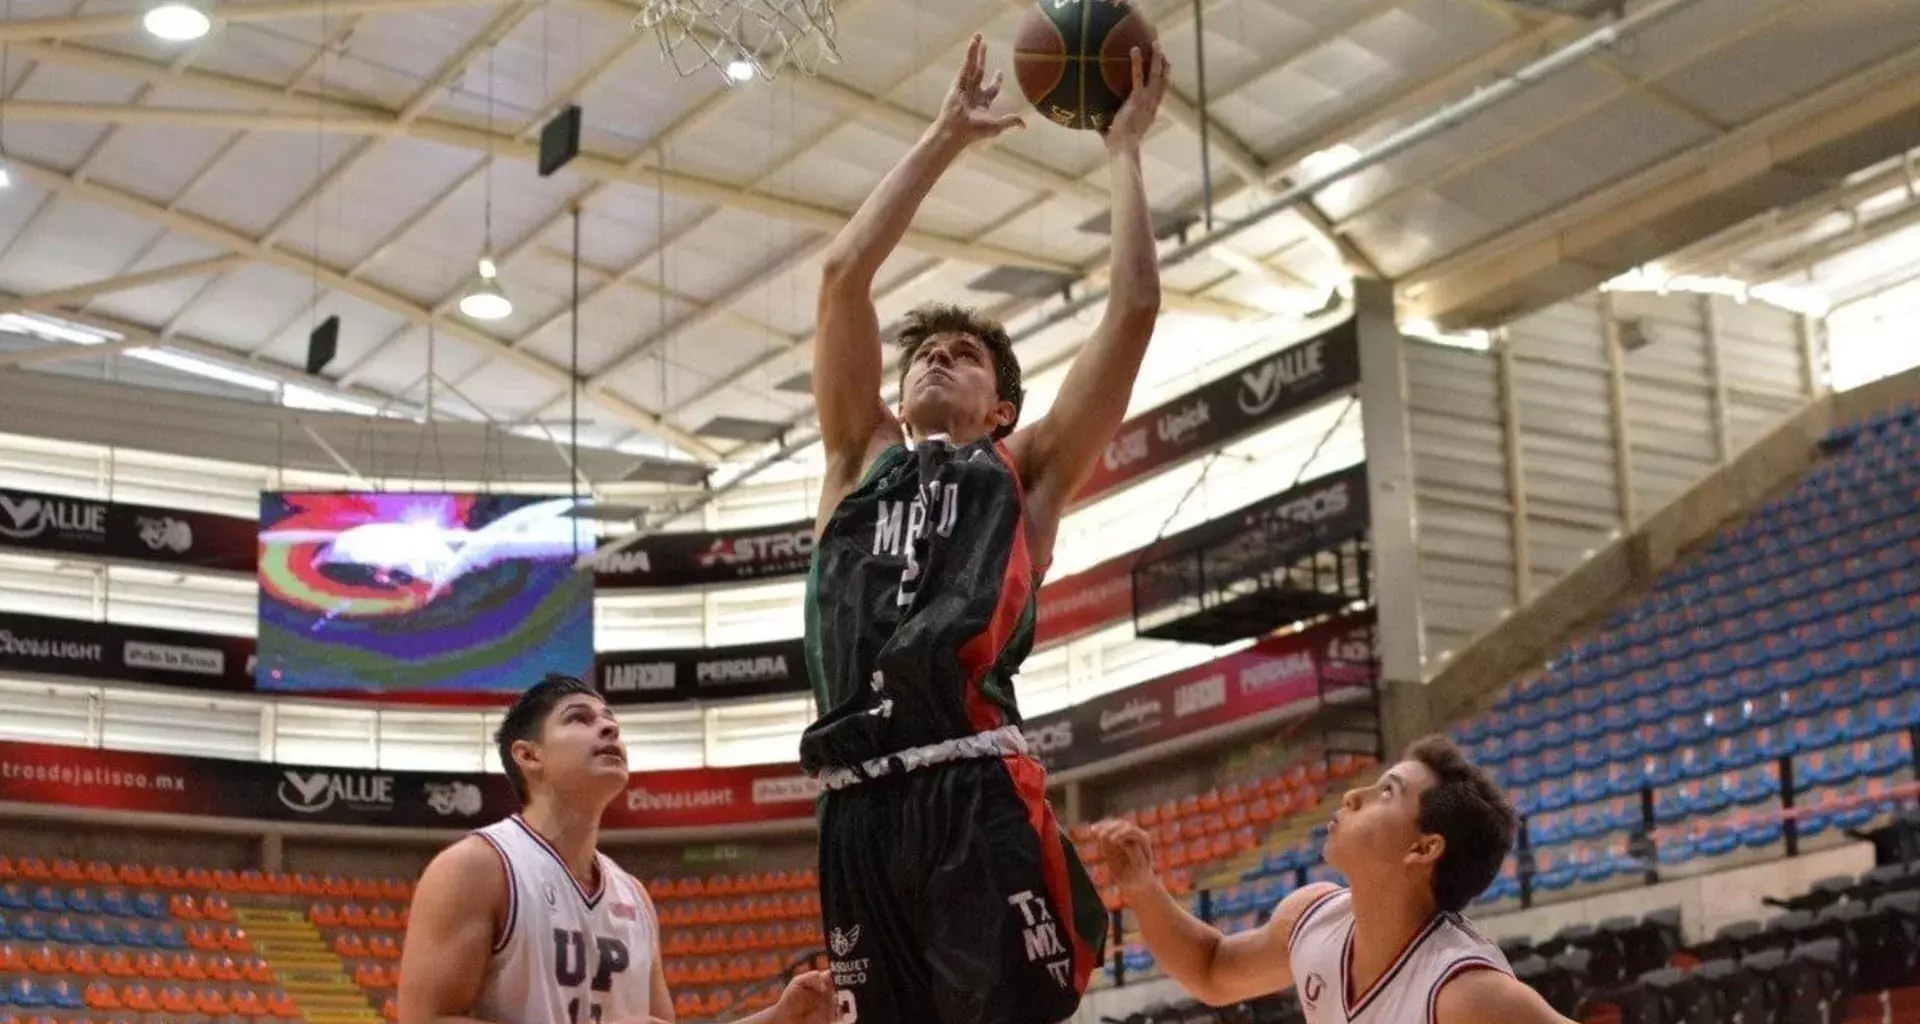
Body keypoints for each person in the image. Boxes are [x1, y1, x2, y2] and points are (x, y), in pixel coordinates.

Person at [800, 30, 1172, 1024]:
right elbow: (843, 277)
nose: (936, 359)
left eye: (963, 354)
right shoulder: (853, 460)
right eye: (925, 351)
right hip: (852, 807)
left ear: (1001, 406)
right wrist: (942, 136)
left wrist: (1124, 153)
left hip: (972, 792)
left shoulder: (1026, 471)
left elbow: (1132, 310)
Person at [398, 674, 836, 1024]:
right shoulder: (478, 867)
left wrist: (778, 1019)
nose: (608, 726)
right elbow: (426, 1018)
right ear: (529, 756)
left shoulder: (634, 896)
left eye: (611, 721)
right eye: (578, 719)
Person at [1092, 737, 1578, 1024]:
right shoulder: (1313, 916)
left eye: (1387, 792)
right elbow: (1213, 970)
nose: (1353, 795)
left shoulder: (1465, 992)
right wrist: (1142, 885)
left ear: (1423, 849)